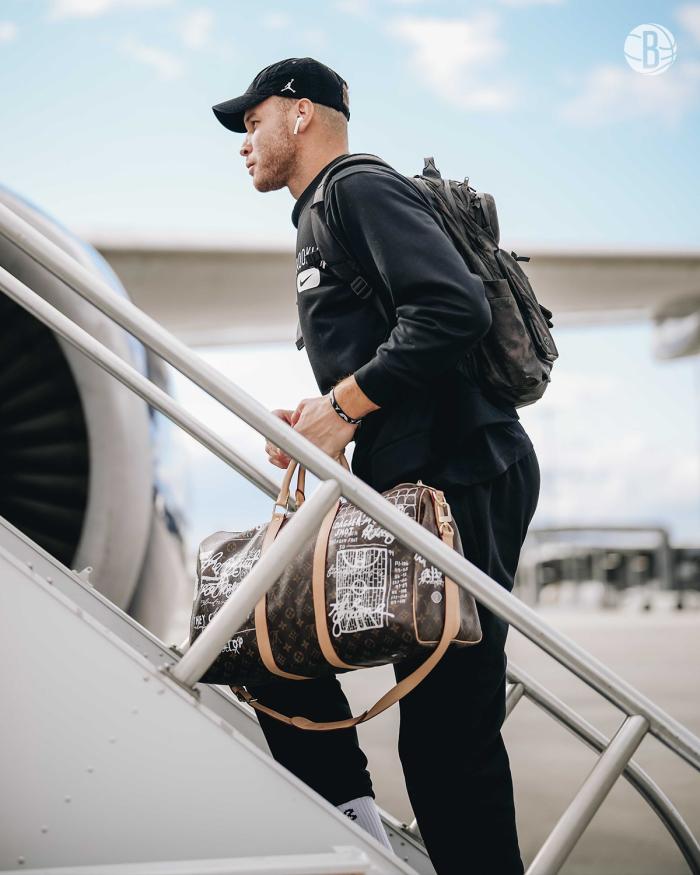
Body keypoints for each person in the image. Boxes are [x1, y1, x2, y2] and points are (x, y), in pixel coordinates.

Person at [211, 56, 540, 874]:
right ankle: (354, 830)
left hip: (461, 472)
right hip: (412, 479)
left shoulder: (355, 188)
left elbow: (454, 307)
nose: (243, 142)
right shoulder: (322, 212)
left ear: (300, 113)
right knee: (266, 648)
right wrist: (321, 414)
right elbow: (398, 349)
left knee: (449, 734)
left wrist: (345, 407)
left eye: (253, 121)